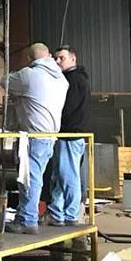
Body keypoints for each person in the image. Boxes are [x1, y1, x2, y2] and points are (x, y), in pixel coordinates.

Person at [1, 43, 68, 233]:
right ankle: (25, 216)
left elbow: (4, 81)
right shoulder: (61, 79)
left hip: (34, 136)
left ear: (29, 59)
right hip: (50, 136)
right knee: (36, 176)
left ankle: (27, 220)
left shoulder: (29, 75)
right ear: (49, 56)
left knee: (30, 178)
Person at [51, 45, 92, 224]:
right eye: (56, 58)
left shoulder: (73, 80)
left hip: (70, 134)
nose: (57, 61)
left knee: (68, 176)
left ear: (73, 59)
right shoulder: (75, 78)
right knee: (61, 176)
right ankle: (57, 213)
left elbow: (66, 108)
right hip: (70, 134)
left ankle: (70, 215)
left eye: (62, 58)